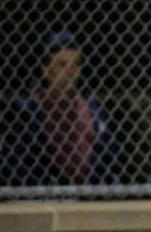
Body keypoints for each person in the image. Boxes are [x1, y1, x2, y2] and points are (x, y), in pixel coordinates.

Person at [3, 31, 119, 188]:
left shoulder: (93, 111)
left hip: (89, 198)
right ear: (45, 69)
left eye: (76, 64)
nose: (70, 72)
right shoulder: (29, 112)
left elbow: (108, 160)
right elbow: (18, 165)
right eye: (62, 65)